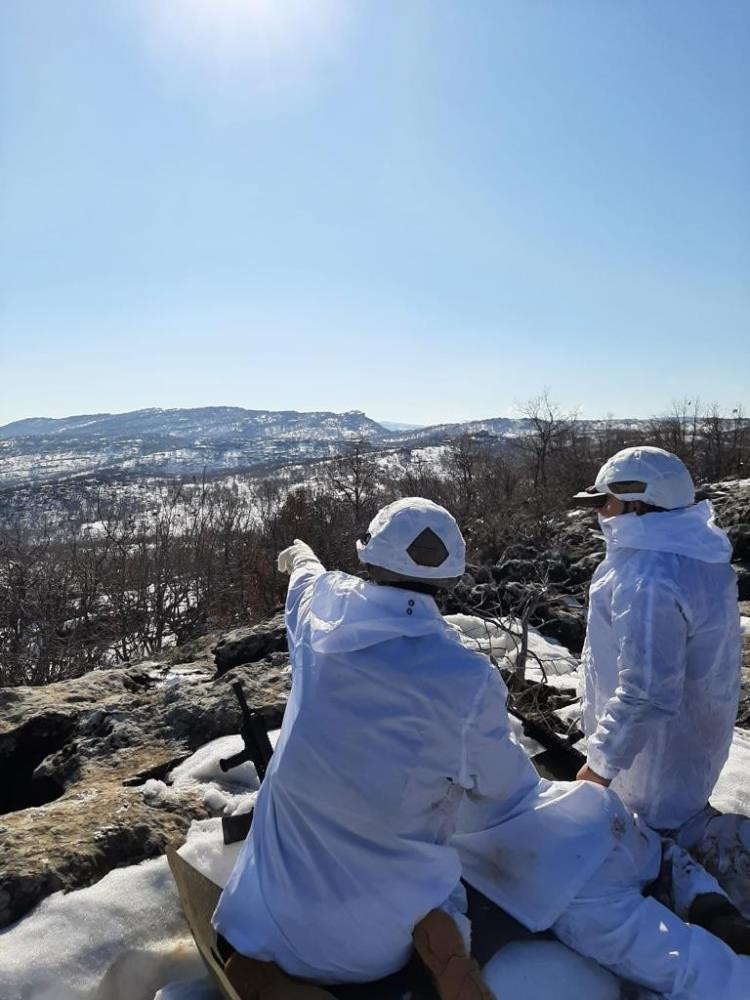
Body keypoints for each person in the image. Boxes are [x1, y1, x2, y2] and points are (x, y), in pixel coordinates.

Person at [212, 497, 750, 999]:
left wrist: (300, 557)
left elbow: (306, 579)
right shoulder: (462, 677)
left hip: (247, 917)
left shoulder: (318, 616)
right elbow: (506, 792)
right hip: (362, 951)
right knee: (530, 868)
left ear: (368, 557)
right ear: (449, 576)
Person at [572, 445, 748, 914]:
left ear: (636, 504)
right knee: (673, 814)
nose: (599, 513)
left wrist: (600, 766)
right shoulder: (692, 555)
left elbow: (647, 690)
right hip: (687, 741)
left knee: (646, 842)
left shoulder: (648, 573)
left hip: (651, 760)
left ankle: (697, 902)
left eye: (603, 502)